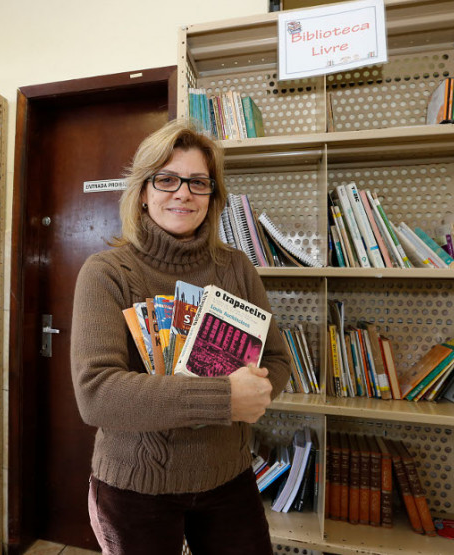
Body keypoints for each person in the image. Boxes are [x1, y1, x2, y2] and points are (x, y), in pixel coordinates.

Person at [70, 120, 291, 555]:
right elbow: (96, 395)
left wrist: (260, 389)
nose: (183, 193)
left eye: (198, 182)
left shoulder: (236, 268)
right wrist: (225, 398)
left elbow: (278, 360)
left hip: (228, 478)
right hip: (135, 487)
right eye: (167, 179)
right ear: (143, 191)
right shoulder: (106, 273)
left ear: (212, 196)